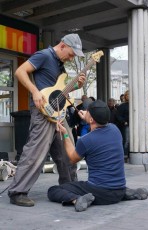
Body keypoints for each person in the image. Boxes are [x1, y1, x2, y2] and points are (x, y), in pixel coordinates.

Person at [8, 33, 86, 207]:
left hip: (58, 112)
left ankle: (69, 187)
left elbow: (59, 92)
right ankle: (17, 191)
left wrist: (77, 85)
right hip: (42, 112)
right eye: (71, 54)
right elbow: (20, 71)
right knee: (35, 152)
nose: (71, 58)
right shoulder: (44, 55)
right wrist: (35, 91)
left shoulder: (60, 65)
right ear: (63, 45)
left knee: (68, 151)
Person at [48, 100, 148, 212]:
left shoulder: (86, 140)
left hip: (100, 192)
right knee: (112, 187)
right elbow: (97, 128)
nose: (85, 112)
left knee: (53, 190)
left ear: (91, 119)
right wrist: (88, 119)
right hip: (119, 189)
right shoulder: (115, 129)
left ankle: (76, 199)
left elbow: (72, 158)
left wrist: (65, 133)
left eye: (88, 112)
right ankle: (127, 193)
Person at [117, 90, 129, 160]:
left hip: (134, 125)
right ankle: (125, 155)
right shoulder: (122, 106)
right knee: (126, 140)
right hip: (126, 125)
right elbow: (118, 115)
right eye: (128, 95)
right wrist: (124, 121)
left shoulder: (135, 104)